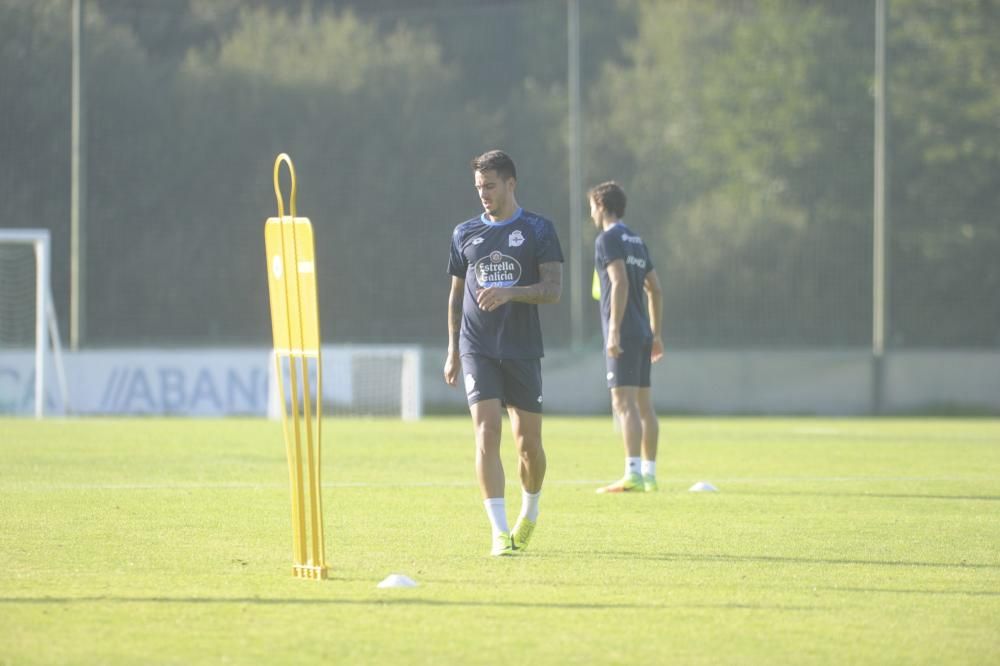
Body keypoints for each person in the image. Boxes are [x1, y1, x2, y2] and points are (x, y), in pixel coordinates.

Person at [444, 150, 564, 556]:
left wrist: (511, 292)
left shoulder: (538, 230)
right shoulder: (464, 233)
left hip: (522, 348)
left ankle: (529, 513)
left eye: (490, 186)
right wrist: (453, 349)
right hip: (477, 347)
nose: (483, 194)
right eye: (479, 187)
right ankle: (498, 532)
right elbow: (456, 295)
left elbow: (553, 290)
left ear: (511, 184)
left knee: (528, 445)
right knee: (486, 432)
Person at [589, 181, 663, 493]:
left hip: (624, 332)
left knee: (623, 403)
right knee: (645, 406)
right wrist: (656, 333)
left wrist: (614, 332)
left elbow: (618, 282)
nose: (591, 213)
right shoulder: (636, 239)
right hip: (643, 331)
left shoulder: (607, 239)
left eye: (592, 207)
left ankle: (632, 473)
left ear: (602, 206)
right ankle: (649, 475)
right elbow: (655, 288)